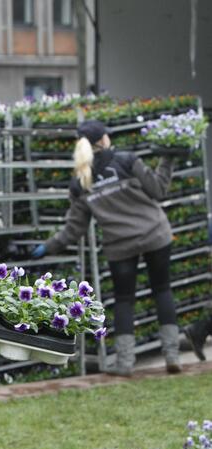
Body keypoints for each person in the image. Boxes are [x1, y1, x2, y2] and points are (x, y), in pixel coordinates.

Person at [32, 120, 180, 377]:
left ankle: (124, 364)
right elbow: (159, 190)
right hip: (156, 235)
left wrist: (47, 247)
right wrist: (168, 159)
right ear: (103, 140)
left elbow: (74, 230)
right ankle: (172, 357)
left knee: (124, 300)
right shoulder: (126, 161)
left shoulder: (80, 181)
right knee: (162, 290)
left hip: (119, 246)